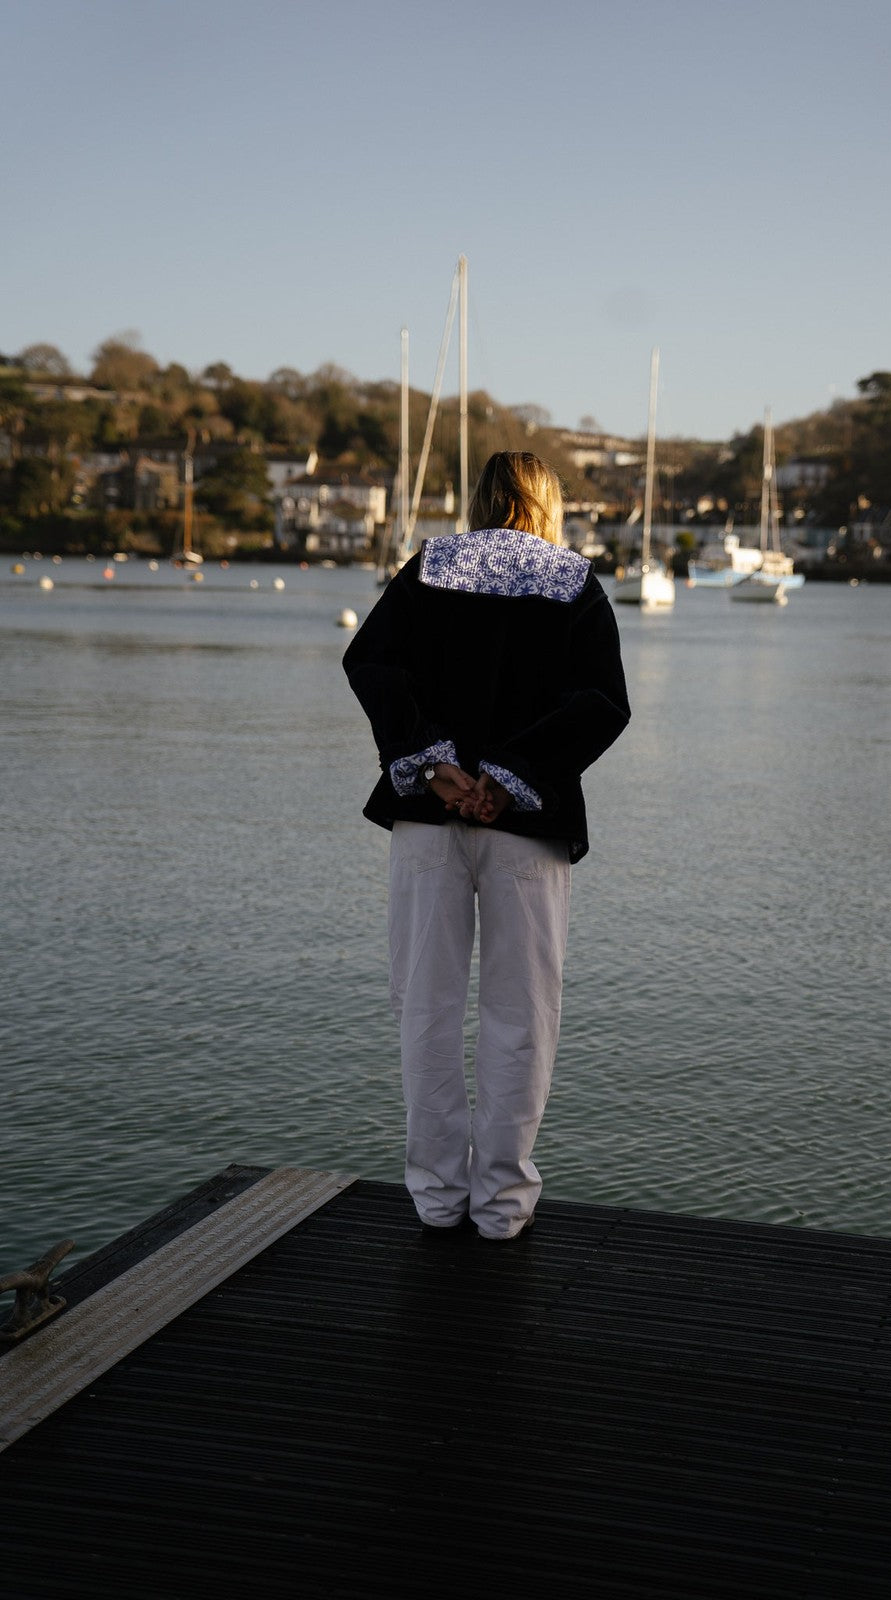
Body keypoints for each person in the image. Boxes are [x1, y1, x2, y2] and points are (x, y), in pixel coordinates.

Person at [342, 451, 629, 1240]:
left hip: (428, 815)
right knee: (522, 1012)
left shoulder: (429, 566)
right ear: (546, 502)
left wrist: (439, 767)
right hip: (526, 827)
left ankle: (438, 1199)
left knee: (425, 1009)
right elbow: (602, 702)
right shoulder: (574, 582)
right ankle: (503, 1207)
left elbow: (369, 661)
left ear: (480, 497)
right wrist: (507, 778)